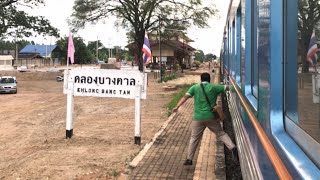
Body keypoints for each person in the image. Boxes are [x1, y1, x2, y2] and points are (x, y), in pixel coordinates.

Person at [172, 72, 237, 166]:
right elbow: (230, 88)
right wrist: (232, 79)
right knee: (221, 133)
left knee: (194, 138)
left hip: (197, 118)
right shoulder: (214, 87)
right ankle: (232, 147)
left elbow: (185, 97)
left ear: (201, 79)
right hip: (211, 116)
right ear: (209, 79)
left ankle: (189, 159)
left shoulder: (194, 87)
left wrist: (177, 106)